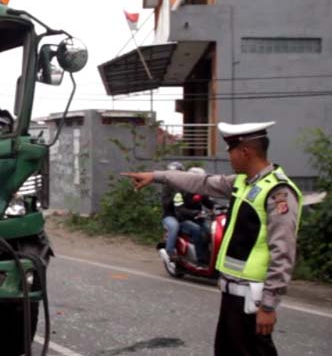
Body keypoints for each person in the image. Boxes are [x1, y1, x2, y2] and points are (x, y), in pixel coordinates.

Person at [122, 121, 301, 356]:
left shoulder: (278, 192)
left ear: (245, 151)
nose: (229, 156)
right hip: (232, 294)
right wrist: (156, 176)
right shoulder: (242, 183)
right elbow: (200, 182)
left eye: (231, 150)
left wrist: (269, 304)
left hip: (252, 299)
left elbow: (284, 251)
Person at [174, 167, 215, 265]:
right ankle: (200, 259)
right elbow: (179, 209)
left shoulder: (200, 190)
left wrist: (218, 206)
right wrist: (194, 213)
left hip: (198, 218)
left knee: (210, 232)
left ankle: (210, 257)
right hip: (183, 220)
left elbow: (208, 202)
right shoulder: (180, 191)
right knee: (196, 230)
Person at [160, 161, 184, 259]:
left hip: (184, 215)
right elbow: (165, 204)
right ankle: (170, 251)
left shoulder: (186, 186)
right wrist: (174, 195)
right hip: (170, 216)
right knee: (174, 226)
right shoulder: (167, 188)